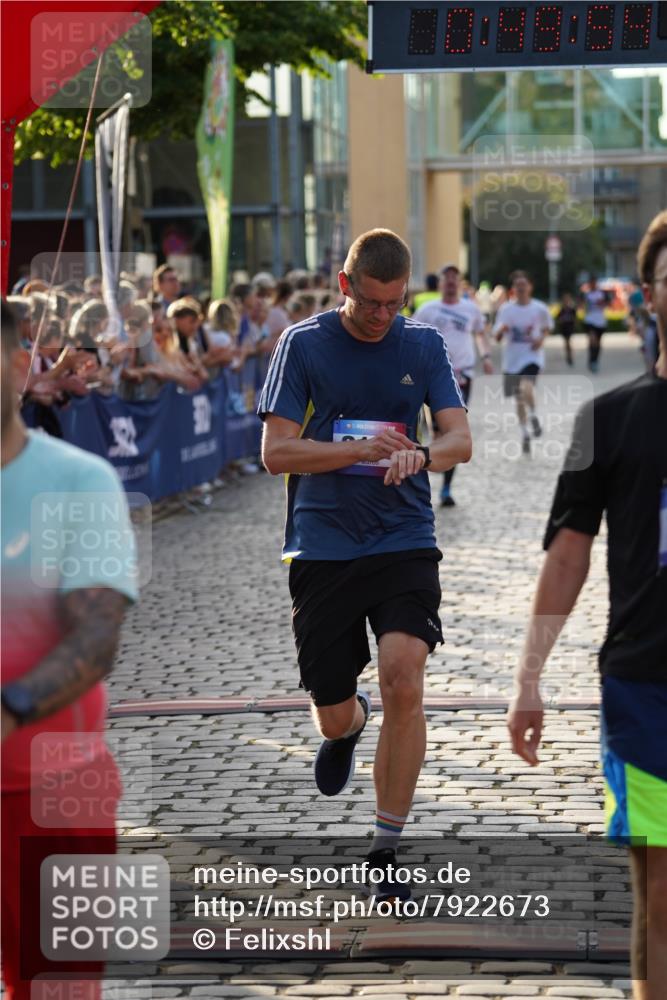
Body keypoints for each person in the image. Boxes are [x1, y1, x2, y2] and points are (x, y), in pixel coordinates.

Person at [258, 229, 471, 900]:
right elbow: (276, 454)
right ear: (345, 285)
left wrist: (423, 455)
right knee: (330, 710)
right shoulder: (303, 344)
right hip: (322, 543)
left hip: (403, 535)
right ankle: (350, 725)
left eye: (395, 304)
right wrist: (356, 451)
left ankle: (385, 850)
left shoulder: (423, 343)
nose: (383, 318)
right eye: (372, 303)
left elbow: (459, 437)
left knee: (405, 675)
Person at [507, 210, 667, 1000]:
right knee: (662, 901)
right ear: (648, 295)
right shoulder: (602, 419)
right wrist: (527, 678)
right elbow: (567, 555)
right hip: (645, 685)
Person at [1, 299, 138, 998]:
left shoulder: (79, 482)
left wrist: (13, 705)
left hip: (57, 791)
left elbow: (97, 636)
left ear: (22, 366)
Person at [413, 263, 493, 507]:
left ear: (459, 283)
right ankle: (426, 478)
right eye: (445, 278)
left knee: (453, 433)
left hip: (462, 377)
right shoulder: (428, 310)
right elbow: (410, 337)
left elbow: (481, 334)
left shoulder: (471, 309)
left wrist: (486, 357)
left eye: (454, 278)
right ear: (439, 283)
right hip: (431, 379)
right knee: (436, 434)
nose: (449, 282)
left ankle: (446, 488)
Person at [493, 270, 554, 456]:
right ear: (513, 289)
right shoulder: (506, 310)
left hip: (531, 356)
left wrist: (541, 340)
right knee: (519, 400)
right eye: (517, 285)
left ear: (530, 287)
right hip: (512, 360)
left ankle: (534, 415)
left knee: (525, 388)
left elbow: (547, 327)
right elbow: (496, 336)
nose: (521, 287)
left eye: (524, 284)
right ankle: (524, 432)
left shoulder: (539, 308)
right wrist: (501, 331)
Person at [581, 274, 611, 373]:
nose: (592, 285)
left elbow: (608, 303)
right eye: (591, 283)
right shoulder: (586, 295)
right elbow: (582, 306)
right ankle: (591, 360)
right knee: (592, 340)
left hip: (600, 321)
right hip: (590, 320)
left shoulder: (602, 293)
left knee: (597, 343)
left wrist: (602, 303)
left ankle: (595, 361)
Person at [556, 292, 577, 367]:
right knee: (566, 342)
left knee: (568, 342)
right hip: (564, 328)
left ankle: (570, 356)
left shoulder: (572, 309)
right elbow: (558, 318)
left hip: (569, 327)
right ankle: (568, 355)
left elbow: (575, 319)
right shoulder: (562, 309)